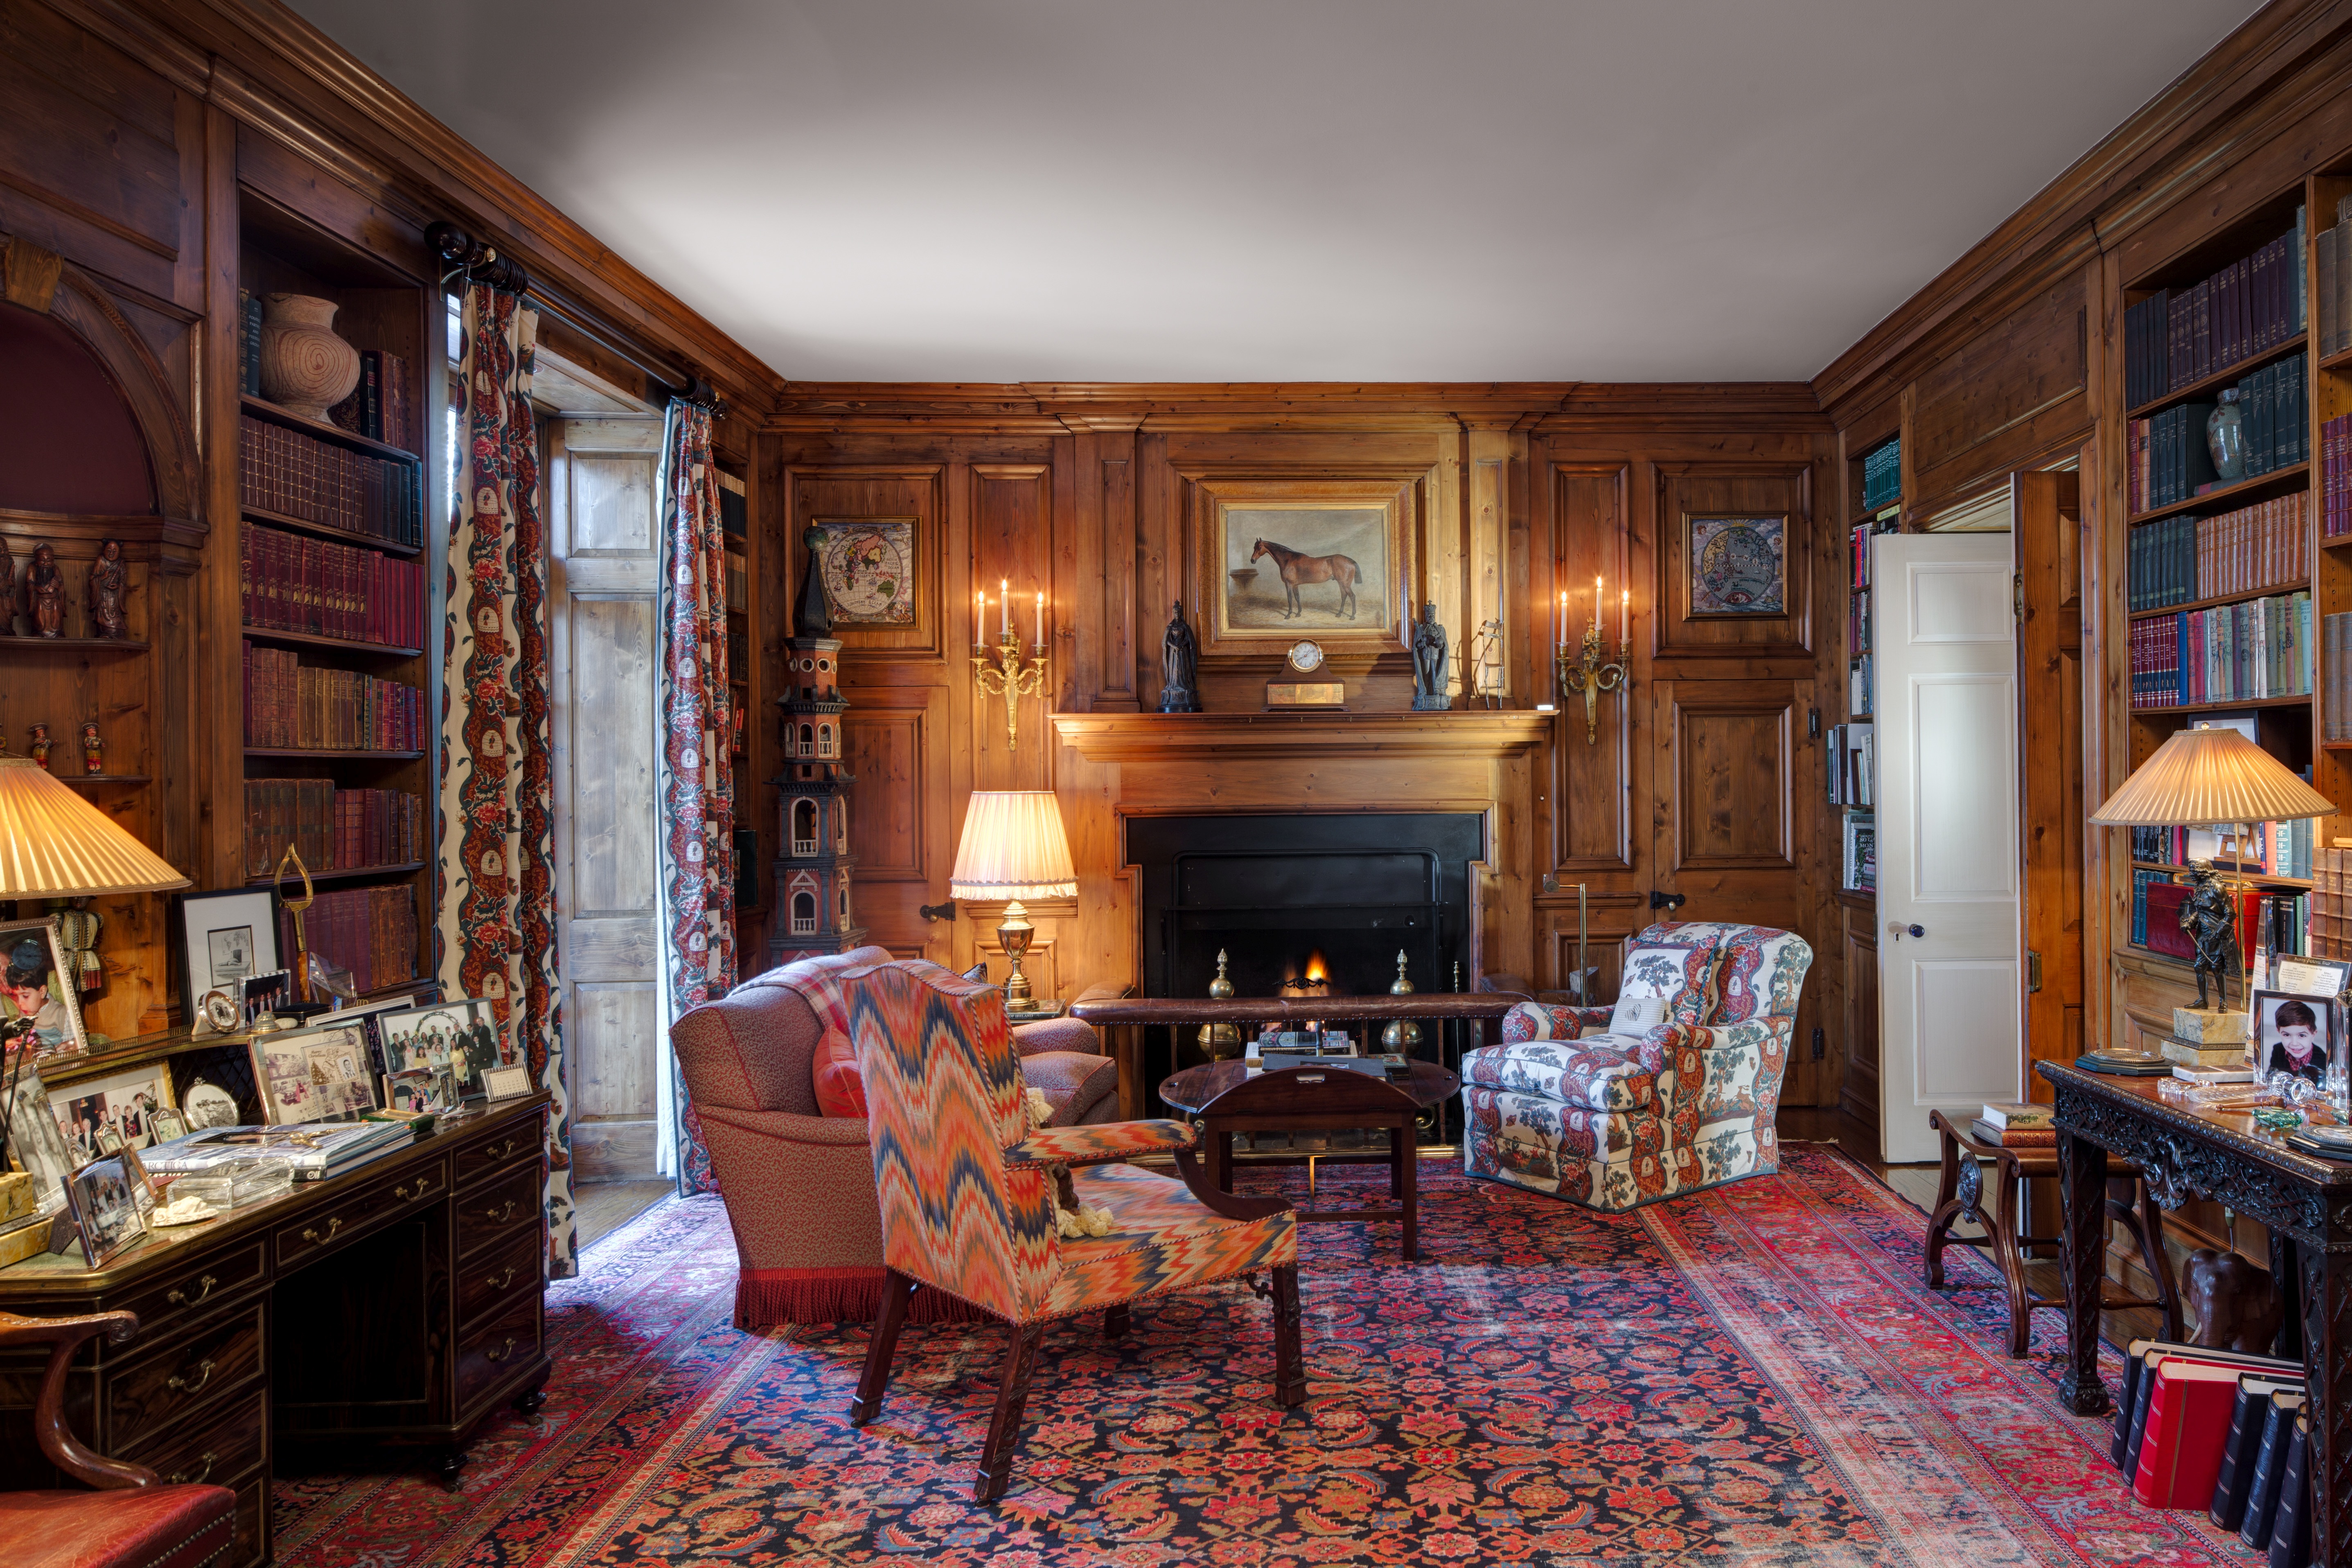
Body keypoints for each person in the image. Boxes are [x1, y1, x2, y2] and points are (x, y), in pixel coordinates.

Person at [3, 937, 68, 1048]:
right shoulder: (24, 1012)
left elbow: (74, 1046)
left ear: (42, 992)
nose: (20, 1004)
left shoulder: (62, 1014)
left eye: (25, 996)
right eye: (16, 996)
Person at [2269, 998, 2327, 1087]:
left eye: (2302, 1036)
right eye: (2287, 1035)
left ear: (2313, 1034)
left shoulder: (2323, 1060)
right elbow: (2271, 1077)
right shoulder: (2278, 1050)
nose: (2295, 1043)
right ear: (2279, 1032)